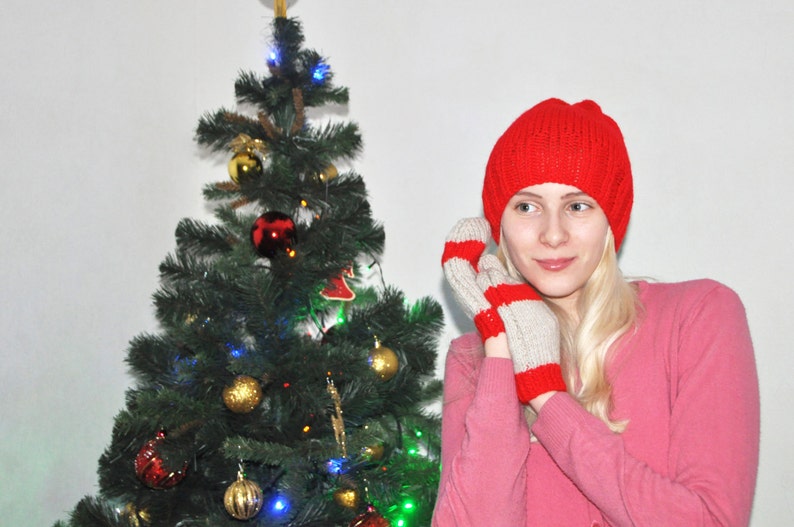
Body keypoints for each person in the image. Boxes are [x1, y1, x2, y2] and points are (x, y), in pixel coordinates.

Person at [432, 98, 759, 526]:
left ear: (611, 219)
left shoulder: (698, 317)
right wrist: (500, 349)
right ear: (500, 226)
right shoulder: (473, 359)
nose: (552, 234)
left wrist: (546, 395)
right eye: (527, 206)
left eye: (577, 205)